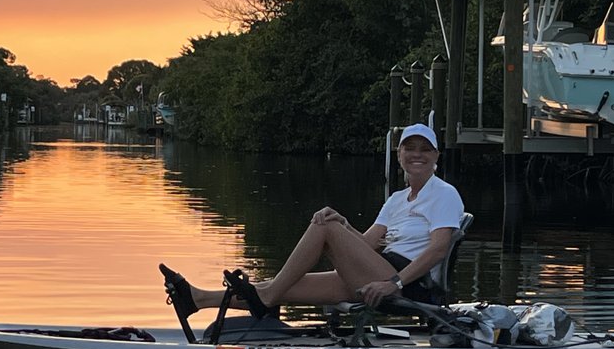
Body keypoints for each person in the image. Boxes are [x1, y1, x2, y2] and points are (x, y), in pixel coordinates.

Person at [162, 123, 465, 318]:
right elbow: (368, 244)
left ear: (436, 155)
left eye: (425, 149)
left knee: (322, 226)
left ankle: (265, 299)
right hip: (376, 272)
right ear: (398, 154)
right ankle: (198, 299)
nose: (417, 155)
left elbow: (438, 249)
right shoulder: (397, 199)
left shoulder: (444, 194)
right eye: (409, 148)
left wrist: (392, 284)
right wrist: (345, 225)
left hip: (406, 285)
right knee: (284, 284)